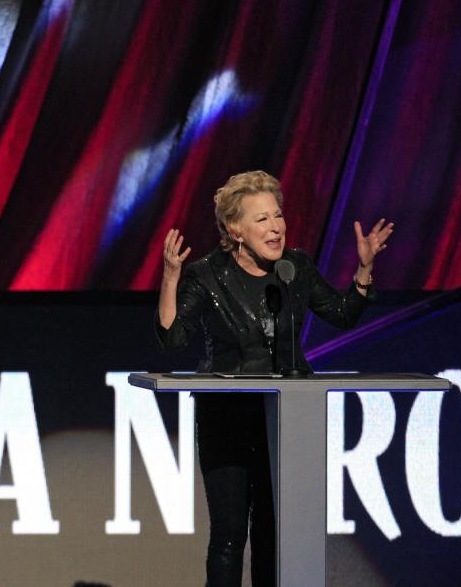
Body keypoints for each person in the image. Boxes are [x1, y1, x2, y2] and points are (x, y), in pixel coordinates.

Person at [155, 170, 393, 586]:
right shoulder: (206, 275)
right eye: (262, 219)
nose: (275, 227)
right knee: (230, 535)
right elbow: (174, 338)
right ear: (236, 229)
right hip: (226, 417)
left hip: (285, 417)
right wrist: (171, 278)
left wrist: (364, 270)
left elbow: (340, 313)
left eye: (278, 215)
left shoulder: (294, 268)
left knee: (273, 530)